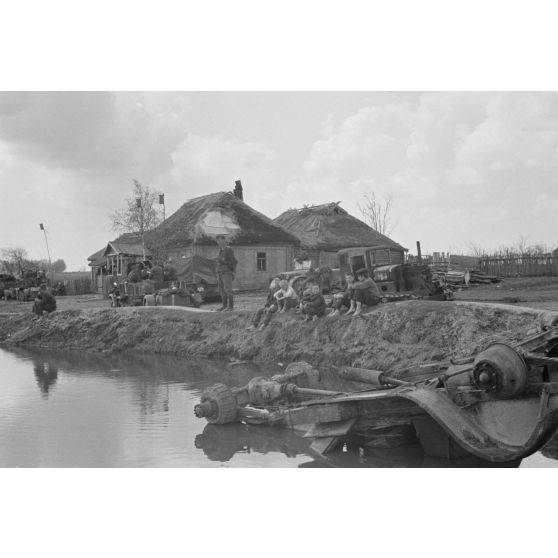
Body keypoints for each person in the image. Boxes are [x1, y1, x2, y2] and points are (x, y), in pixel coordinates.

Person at [215, 234, 237, 312]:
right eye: (217, 241)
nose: (218, 242)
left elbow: (234, 262)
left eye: (220, 240)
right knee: (221, 289)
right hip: (220, 272)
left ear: (224, 240)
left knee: (228, 289)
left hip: (226, 272)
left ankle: (230, 307)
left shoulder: (228, 249)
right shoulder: (221, 250)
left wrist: (223, 262)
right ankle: (224, 306)